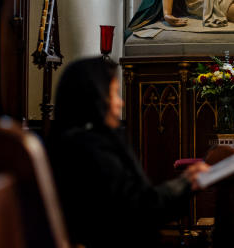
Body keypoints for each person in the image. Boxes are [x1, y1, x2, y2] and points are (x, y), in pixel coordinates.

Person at [46, 57, 209, 247]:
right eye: (114, 94)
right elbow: (138, 212)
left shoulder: (71, 142)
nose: (120, 103)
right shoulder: (90, 149)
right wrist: (186, 184)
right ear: (96, 97)